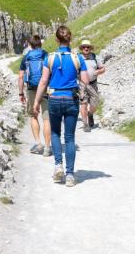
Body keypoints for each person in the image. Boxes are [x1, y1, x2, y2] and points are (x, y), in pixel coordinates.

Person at [33, 25, 88, 187]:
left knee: (55, 133)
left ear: (57, 40)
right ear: (70, 39)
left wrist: (36, 101)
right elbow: (85, 81)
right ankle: (70, 175)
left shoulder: (49, 58)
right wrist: (82, 94)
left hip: (54, 98)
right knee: (70, 138)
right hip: (71, 98)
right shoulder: (78, 58)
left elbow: (43, 81)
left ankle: (58, 166)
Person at [18, 35, 51, 156]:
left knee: (33, 116)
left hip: (32, 89)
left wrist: (21, 93)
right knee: (47, 118)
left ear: (30, 45)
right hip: (46, 89)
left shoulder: (26, 57)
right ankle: (48, 148)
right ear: (41, 44)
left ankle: (38, 144)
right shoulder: (47, 55)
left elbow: (21, 77)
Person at [78, 39, 105, 132]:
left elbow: (103, 68)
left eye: (88, 47)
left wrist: (98, 71)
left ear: (90, 48)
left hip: (93, 83)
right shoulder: (78, 58)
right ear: (81, 48)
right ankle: (85, 124)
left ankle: (90, 114)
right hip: (82, 84)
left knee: (95, 103)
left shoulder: (95, 57)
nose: (86, 48)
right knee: (83, 103)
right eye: (84, 47)